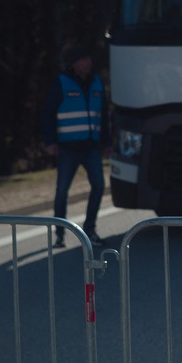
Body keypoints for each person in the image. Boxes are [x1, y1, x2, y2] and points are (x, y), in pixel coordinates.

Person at [42, 42, 108, 247]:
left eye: (88, 58)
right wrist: (50, 141)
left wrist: (107, 142)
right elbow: (47, 114)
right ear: (73, 63)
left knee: (99, 186)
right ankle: (60, 234)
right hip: (68, 148)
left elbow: (104, 116)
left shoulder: (97, 83)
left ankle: (90, 229)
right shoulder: (61, 83)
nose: (87, 63)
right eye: (82, 59)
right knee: (62, 191)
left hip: (91, 147)